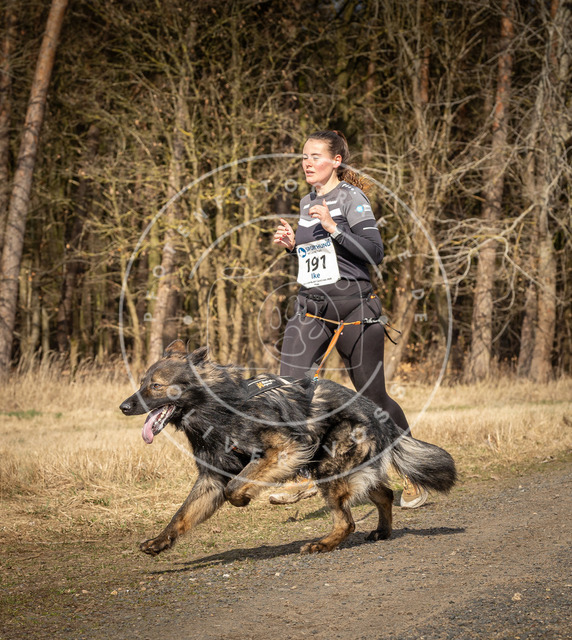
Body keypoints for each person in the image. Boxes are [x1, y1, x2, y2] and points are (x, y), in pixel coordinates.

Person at [269, 129, 427, 509]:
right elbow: (321, 260)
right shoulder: (307, 201)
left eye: (315, 156)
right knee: (291, 388)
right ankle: (306, 475)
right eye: (304, 157)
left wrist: (334, 228)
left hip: (355, 309)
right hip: (312, 307)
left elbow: (374, 253)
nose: (307, 163)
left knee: (373, 398)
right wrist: (295, 247)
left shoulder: (352, 198)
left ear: (336, 161)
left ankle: (414, 472)